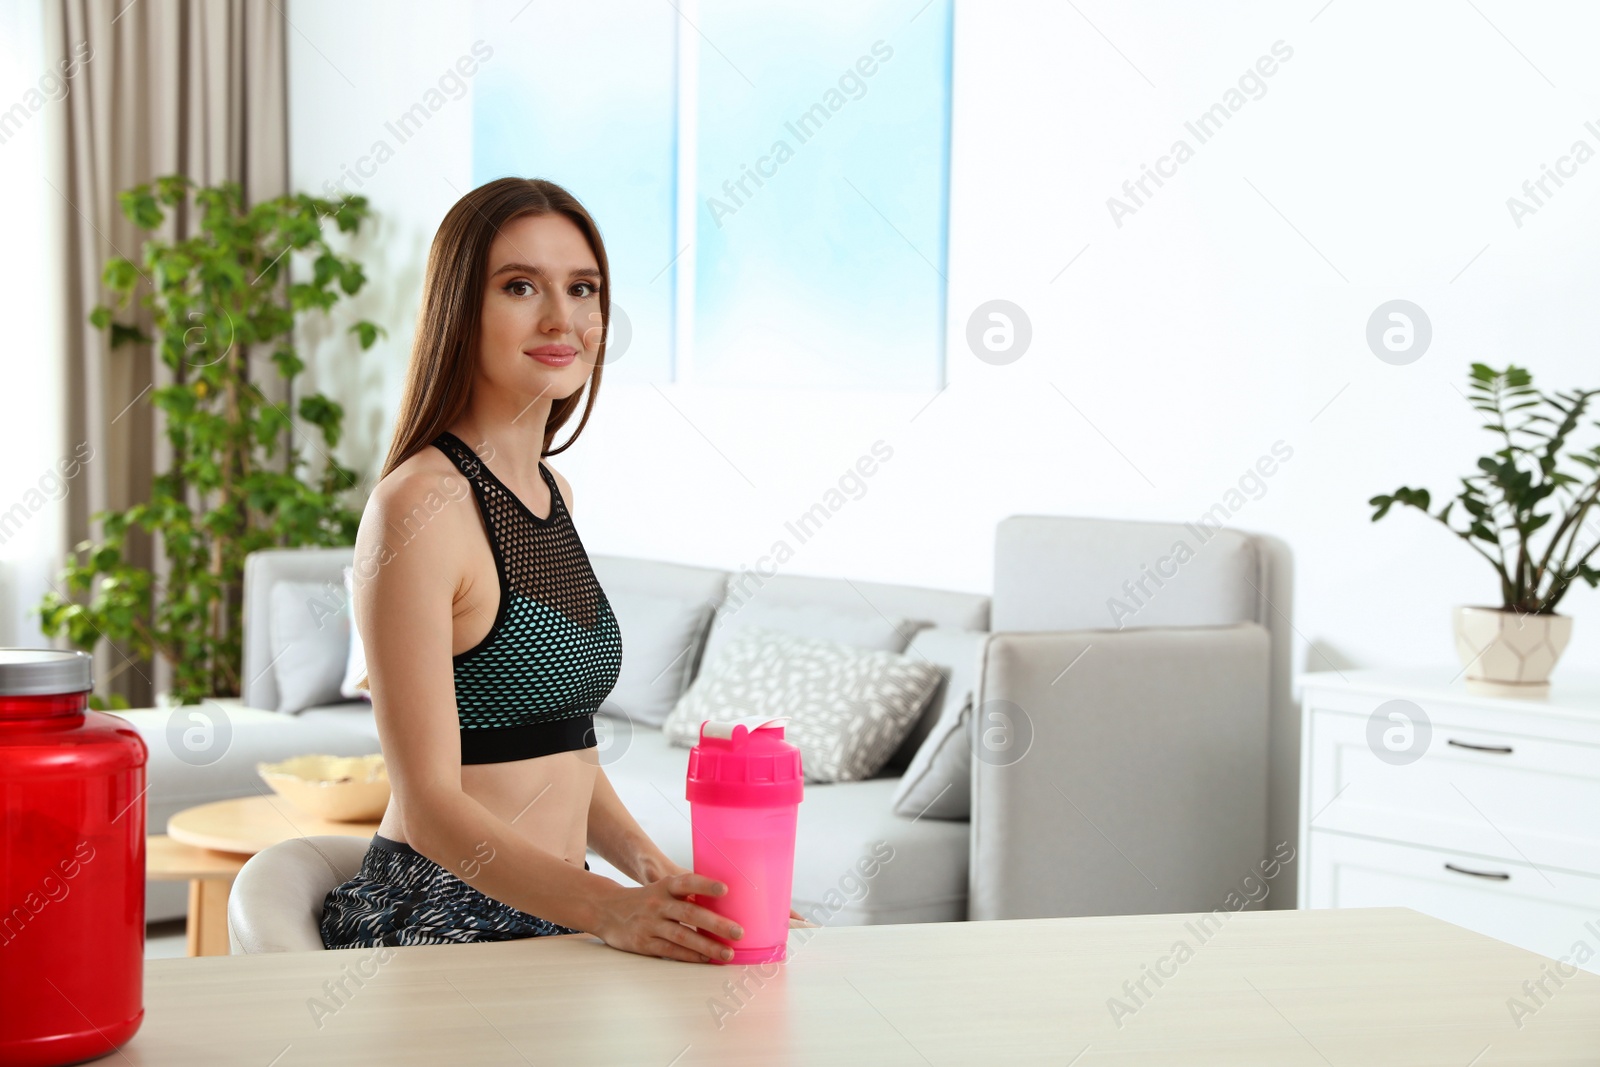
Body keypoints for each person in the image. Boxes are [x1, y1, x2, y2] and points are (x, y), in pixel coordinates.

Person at [319, 176, 801, 960]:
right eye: (520, 287)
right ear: (458, 310)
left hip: (561, 905)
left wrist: (665, 882)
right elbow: (431, 801)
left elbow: (561, 751)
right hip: (439, 913)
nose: (562, 318)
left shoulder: (552, 495)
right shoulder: (418, 505)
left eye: (583, 288)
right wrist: (608, 907)